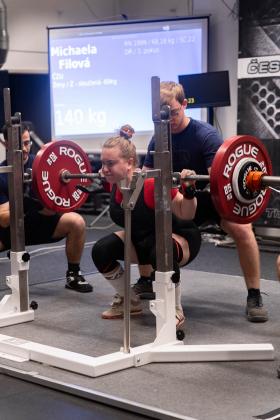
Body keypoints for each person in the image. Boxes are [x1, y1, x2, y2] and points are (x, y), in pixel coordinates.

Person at [137, 81, 268, 323]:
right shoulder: (158, 138)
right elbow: (145, 177)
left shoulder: (205, 135)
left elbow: (220, 179)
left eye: (174, 112)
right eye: (164, 115)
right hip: (179, 200)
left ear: (185, 105)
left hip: (210, 197)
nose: (170, 119)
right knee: (140, 216)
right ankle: (146, 279)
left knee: (243, 230)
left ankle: (254, 295)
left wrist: (192, 185)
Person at [91, 135, 201, 325]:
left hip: (179, 239)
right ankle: (130, 300)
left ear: (130, 163)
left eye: (110, 163)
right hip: (144, 239)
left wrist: (189, 191)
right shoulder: (116, 185)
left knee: (159, 249)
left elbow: (186, 213)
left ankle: (174, 307)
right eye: (102, 163)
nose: (104, 169)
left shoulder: (150, 185)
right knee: (101, 250)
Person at [0, 122, 93, 293]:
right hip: (9, 232)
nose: (25, 149)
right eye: (18, 145)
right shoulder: (2, 173)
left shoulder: (44, 165)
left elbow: (54, 209)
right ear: (6, 144)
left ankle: (73, 275)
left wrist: (42, 205)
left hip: (41, 222)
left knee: (76, 222)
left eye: (27, 143)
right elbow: (4, 220)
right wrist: (26, 204)